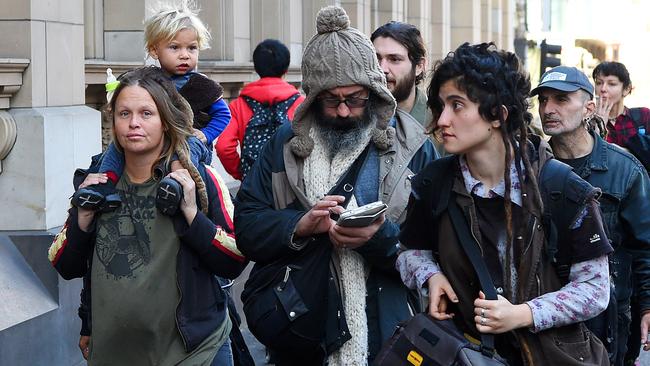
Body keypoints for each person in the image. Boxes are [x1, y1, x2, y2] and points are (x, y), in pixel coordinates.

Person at [235, 6, 436, 365]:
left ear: (373, 92)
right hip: (302, 335)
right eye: (332, 100)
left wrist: (379, 240)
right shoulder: (284, 145)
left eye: (355, 99)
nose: (344, 111)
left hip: (388, 336)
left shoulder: (414, 145)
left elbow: (438, 248)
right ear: (313, 98)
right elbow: (248, 226)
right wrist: (299, 225)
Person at [397, 43, 612, 365]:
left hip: (554, 356)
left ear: (498, 115)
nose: (442, 119)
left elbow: (596, 289)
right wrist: (430, 275)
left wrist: (523, 314)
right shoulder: (434, 182)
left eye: (457, 105)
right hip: (467, 354)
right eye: (440, 105)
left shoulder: (561, 188)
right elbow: (409, 250)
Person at [48, 66, 246, 365]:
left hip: (194, 353)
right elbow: (65, 264)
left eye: (146, 113)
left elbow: (234, 260)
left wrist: (192, 214)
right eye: (124, 114)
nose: (133, 124)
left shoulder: (198, 179)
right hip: (114, 353)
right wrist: (82, 218)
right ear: (113, 121)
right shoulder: (98, 181)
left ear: (165, 121)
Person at [536, 66, 650, 365]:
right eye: (544, 100)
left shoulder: (624, 169)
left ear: (588, 108)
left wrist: (648, 307)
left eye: (561, 99)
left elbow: (645, 244)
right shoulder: (531, 168)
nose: (548, 109)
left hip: (609, 318)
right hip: (545, 313)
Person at [71, 1, 231, 215]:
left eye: (192, 48)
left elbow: (223, 114)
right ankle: (104, 184)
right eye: (175, 47)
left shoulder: (202, 85)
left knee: (187, 145)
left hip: (188, 141)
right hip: (153, 140)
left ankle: (176, 183)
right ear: (155, 50)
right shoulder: (149, 80)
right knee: (116, 147)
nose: (185, 55)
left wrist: (206, 134)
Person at [216, 39, 304, 181]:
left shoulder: (238, 105)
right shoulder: (300, 103)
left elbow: (223, 147)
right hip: (289, 183)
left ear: (256, 68)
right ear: (286, 70)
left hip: (253, 184)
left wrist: (242, 173)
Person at [593, 61, 650, 149]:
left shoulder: (643, 116)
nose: (603, 89)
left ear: (626, 89)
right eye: (599, 83)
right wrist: (599, 129)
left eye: (612, 84)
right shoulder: (587, 122)